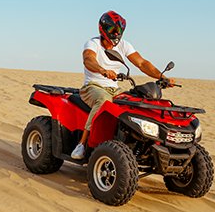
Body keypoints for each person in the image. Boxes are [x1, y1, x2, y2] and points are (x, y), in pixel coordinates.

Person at [71, 11, 176, 160]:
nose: (116, 34)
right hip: (93, 87)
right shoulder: (92, 43)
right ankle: (82, 144)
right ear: (103, 29)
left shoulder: (124, 45)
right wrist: (102, 70)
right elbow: (88, 59)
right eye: (113, 30)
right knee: (103, 102)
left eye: (119, 31)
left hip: (114, 89)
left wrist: (162, 77)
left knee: (133, 102)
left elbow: (142, 63)